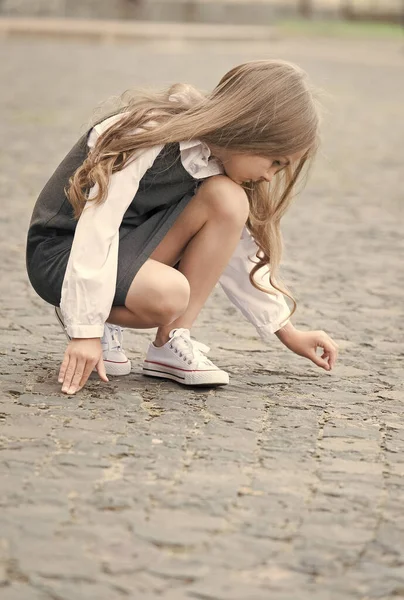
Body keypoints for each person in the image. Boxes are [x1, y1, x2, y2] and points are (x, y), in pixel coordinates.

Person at [26, 59, 338, 396]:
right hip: (64, 254)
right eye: (275, 162)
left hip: (124, 252)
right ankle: (94, 315)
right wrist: (84, 329)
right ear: (251, 129)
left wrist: (287, 331)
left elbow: (238, 251)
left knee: (229, 200)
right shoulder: (147, 132)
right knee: (170, 293)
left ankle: (170, 342)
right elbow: (97, 225)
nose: (269, 176)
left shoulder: (216, 162)